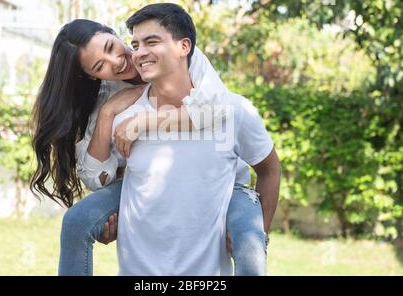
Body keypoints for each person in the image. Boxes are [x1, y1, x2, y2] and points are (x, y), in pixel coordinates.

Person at [30, 14, 278, 275]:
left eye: (111, 47)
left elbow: (216, 111)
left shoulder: (184, 58)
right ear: (93, 77)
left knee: (251, 240)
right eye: (99, 67)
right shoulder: (108, 97)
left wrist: (146, 122)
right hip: (138, 181)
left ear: (114, 34)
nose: (116, 62)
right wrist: (108, 114)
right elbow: (97, 178)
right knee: (77, 221)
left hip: (223, 180)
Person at [114, 3, 280, 275]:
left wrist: (257, 235)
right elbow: (113, 181)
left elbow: (270, 170)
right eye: (135, 44)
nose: (139, 52)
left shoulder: (234, 112)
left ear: (184, 46)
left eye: (151, 42)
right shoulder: (125, 120)